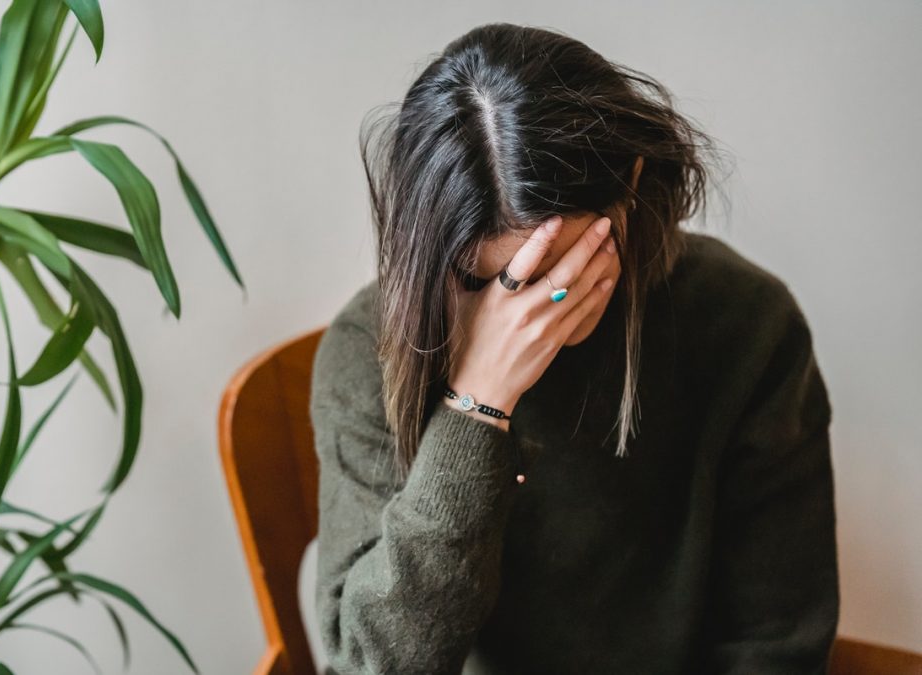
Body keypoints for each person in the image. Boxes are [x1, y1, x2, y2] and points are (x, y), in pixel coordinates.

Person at [310, 22, 838, 675]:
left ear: (632, 184)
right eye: (485, 279)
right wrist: (475, 411)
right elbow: (369, 666)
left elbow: (777, 639)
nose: (527, 310)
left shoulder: (746, 324)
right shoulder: (367, 353)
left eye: (560, 269)